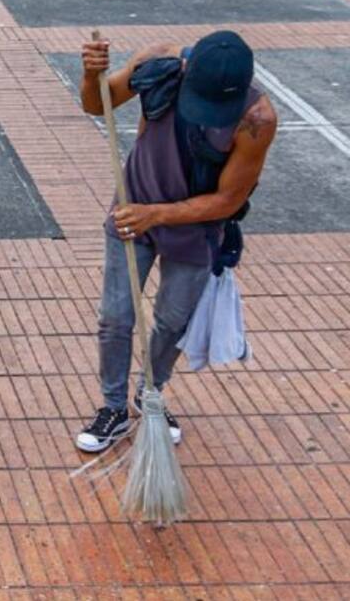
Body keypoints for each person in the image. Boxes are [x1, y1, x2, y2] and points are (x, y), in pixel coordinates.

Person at [74, 31, 277, 453]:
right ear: (186, 68)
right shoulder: (157, 62)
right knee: (115, 317)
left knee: (172, 322)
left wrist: (159, 214)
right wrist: (92, 75)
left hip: (196, 228)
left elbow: (227, 200)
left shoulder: (256, 119)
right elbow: (97, 104)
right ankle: (112, 408)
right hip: (133, 210)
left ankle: (151, 394)